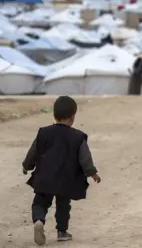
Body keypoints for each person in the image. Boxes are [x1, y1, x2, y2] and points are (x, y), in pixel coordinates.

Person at [22, 96, 101, 246]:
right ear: (73, 117)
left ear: (54, 114)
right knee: (63, 205)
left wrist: (27, 166)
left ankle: (39, 220)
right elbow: (85, 158)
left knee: (40, 202)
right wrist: (92, 173)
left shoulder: (43, 133)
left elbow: (33, 152)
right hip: (66, 179)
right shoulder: (78, 137)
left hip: (45, 177)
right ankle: (62, 232)